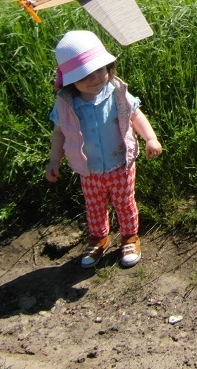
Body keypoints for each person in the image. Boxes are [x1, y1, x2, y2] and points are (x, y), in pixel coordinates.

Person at [46, 30, 163, 269]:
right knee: (94, 206)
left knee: (125, 203)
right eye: (84, 75)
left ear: (109, 67)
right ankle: (99, 239)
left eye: (99, 69)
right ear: (69, 80)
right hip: (88, 169)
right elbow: (59, 133)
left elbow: (135, 115)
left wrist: (150, 138)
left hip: (120, 163)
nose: (95, 78)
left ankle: (129, 237)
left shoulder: (117, 93)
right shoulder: (66, 103)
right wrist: (54, 161)